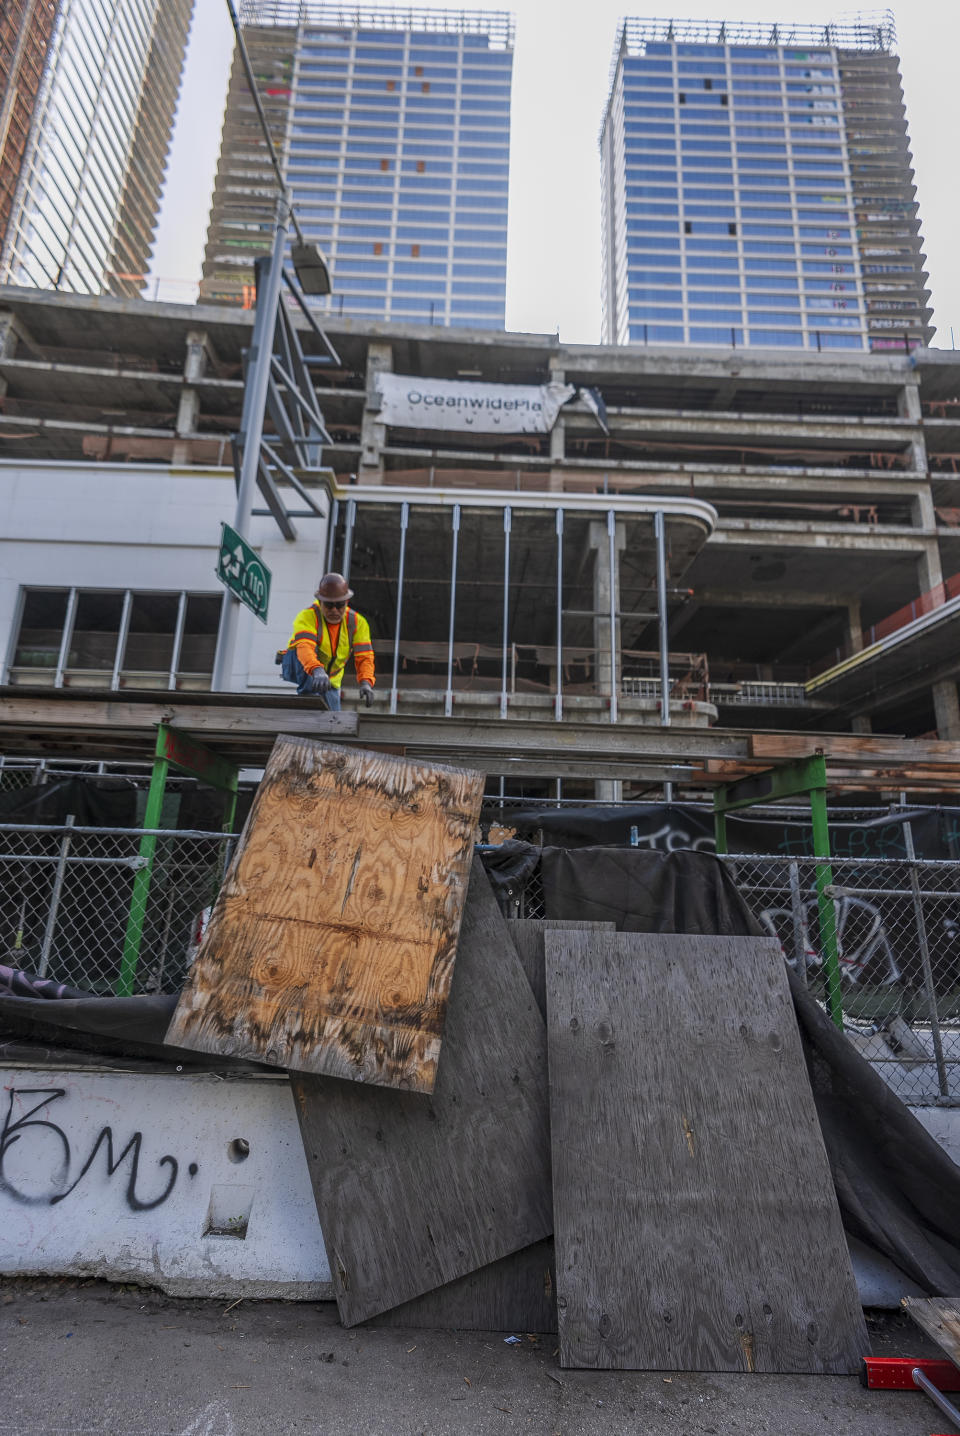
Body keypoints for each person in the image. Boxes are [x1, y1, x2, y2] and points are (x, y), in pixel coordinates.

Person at [284, 573, 375, 710]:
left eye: (339, 605)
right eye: (329, 605)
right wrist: (317, 670)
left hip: (331, 680)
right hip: (304, 669)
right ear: (320, 603)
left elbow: (364, 657)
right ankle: (308, 697)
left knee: (334, 719)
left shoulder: (357, 623)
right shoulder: (307, 616)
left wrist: (366, 682)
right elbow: (305, 648)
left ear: (347, 602)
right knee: (300, 648)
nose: (334, 610)